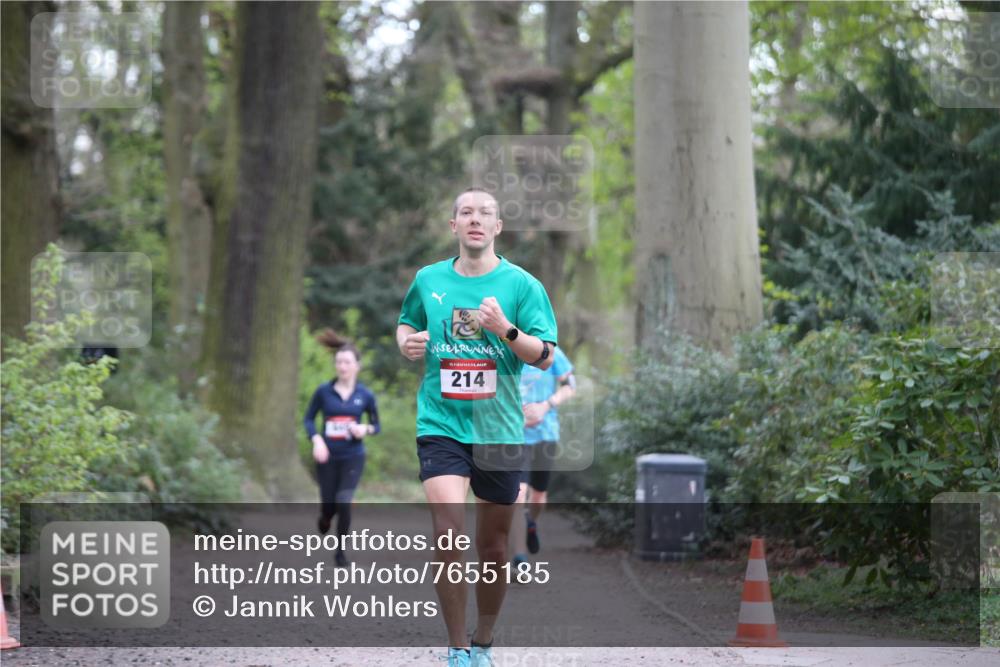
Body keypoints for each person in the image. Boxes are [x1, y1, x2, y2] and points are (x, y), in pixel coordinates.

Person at [396, 187, 558, 667]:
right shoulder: (428, 279)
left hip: (498, 430)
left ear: (497, 227)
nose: (475, 219)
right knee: (448, 533)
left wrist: (505, 329)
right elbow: (406, 322)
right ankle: (457, 648)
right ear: (453, 225)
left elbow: (545, 357)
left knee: (492, 547)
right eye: (466, 212)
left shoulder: (522, 285)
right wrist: (406, 342)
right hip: (441, 424)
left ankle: (483, 639)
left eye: (485, 213)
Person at [303, 329, 380, 567]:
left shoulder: (365, 395)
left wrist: (365, 429)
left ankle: (340, 551)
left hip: (353, 456)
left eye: (347, 362)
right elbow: (309, 419)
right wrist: (317, 440)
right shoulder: (323, 392)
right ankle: (325, 517)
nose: (342, 366)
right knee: (329, 505)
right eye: (339, 362)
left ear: (357, 366)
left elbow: (376, 425)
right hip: (327, 456)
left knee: (344, 500)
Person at [508, 345, 575, 569]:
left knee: (538, 497)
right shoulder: (506, 348)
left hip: (545, 434)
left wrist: (545, 406)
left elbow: (570, 386)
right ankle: (520, 557)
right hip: (515, 436)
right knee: (518, 495)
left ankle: (531, 523)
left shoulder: (551, 351)